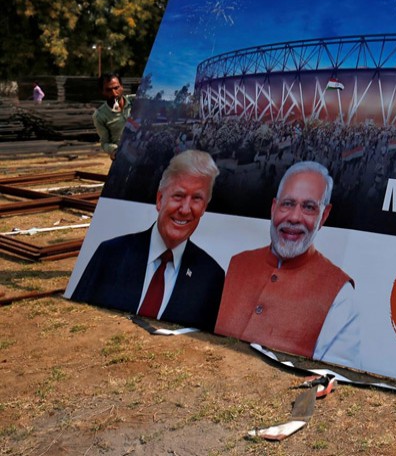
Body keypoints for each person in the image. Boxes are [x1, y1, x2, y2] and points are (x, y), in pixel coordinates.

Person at [215, 161, 359, 365]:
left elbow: (338, 376)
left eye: (309, 207)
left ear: (324, 215)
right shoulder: (236, 264)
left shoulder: (340, 295)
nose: (294, 217)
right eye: (288, 204)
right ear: (274, 207)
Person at [70, 150, 224, 331]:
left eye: (197, 199)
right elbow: (79, 314)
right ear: (160, 199)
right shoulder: (110, 253)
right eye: (179, 196)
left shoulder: (212, 275)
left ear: (204, 207)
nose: (185, 209)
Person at [92, 72, 135, 160]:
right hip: (125, 157)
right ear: (102, 92)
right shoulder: (100, 116)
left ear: (121, 87)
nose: (114, 93)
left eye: (116, 88)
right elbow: (105, 143)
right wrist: (114, 150)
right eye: (108, 90)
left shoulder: (136, 101)